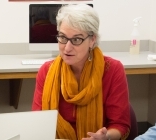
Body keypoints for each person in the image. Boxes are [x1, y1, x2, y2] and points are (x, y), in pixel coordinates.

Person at [32, 4, 131, 140]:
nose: (67, 48)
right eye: (62, 37)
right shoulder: (47, 71)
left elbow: (120, 125)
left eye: (76, 39)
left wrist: (106, 136)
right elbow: (37, 123)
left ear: (92, 40)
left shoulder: (112, 70)